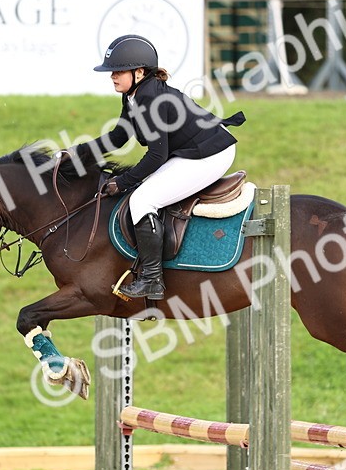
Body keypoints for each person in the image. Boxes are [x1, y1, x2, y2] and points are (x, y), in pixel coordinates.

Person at [88, 35, 245, 301]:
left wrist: (123, 181)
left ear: (139, 73)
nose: (112, 76)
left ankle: (152, 280)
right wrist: (76, 155)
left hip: (210, 153)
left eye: (118, 71)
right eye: (111, 71)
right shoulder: (133, 95)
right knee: (142, 192)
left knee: (142, 200)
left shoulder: (151, 99)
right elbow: (118, 137)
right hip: (192, 150)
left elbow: (156, 156)